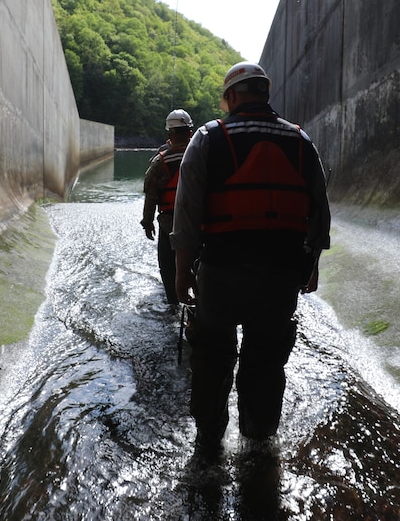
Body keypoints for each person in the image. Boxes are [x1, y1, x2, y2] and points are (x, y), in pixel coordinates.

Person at [170, 62, 331, 454]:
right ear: (264, 92)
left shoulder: (209, 137)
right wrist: (312, 267)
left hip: (222, 272)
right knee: (265, 360)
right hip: (279, 276)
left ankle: (209, 444)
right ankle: (258, 445)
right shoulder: (300, 140)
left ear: (234, 96)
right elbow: (319, 214)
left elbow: (187, 215)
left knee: (212, 357)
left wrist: (180, 274)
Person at [141, 108, 194, 306]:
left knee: (167, 265)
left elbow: (151, 196)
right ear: (190, 132)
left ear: (169, 134)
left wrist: (147, 222)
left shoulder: (160, 162)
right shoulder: (204, 155)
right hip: (199, 224)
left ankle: (173, 303)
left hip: (168, 223)